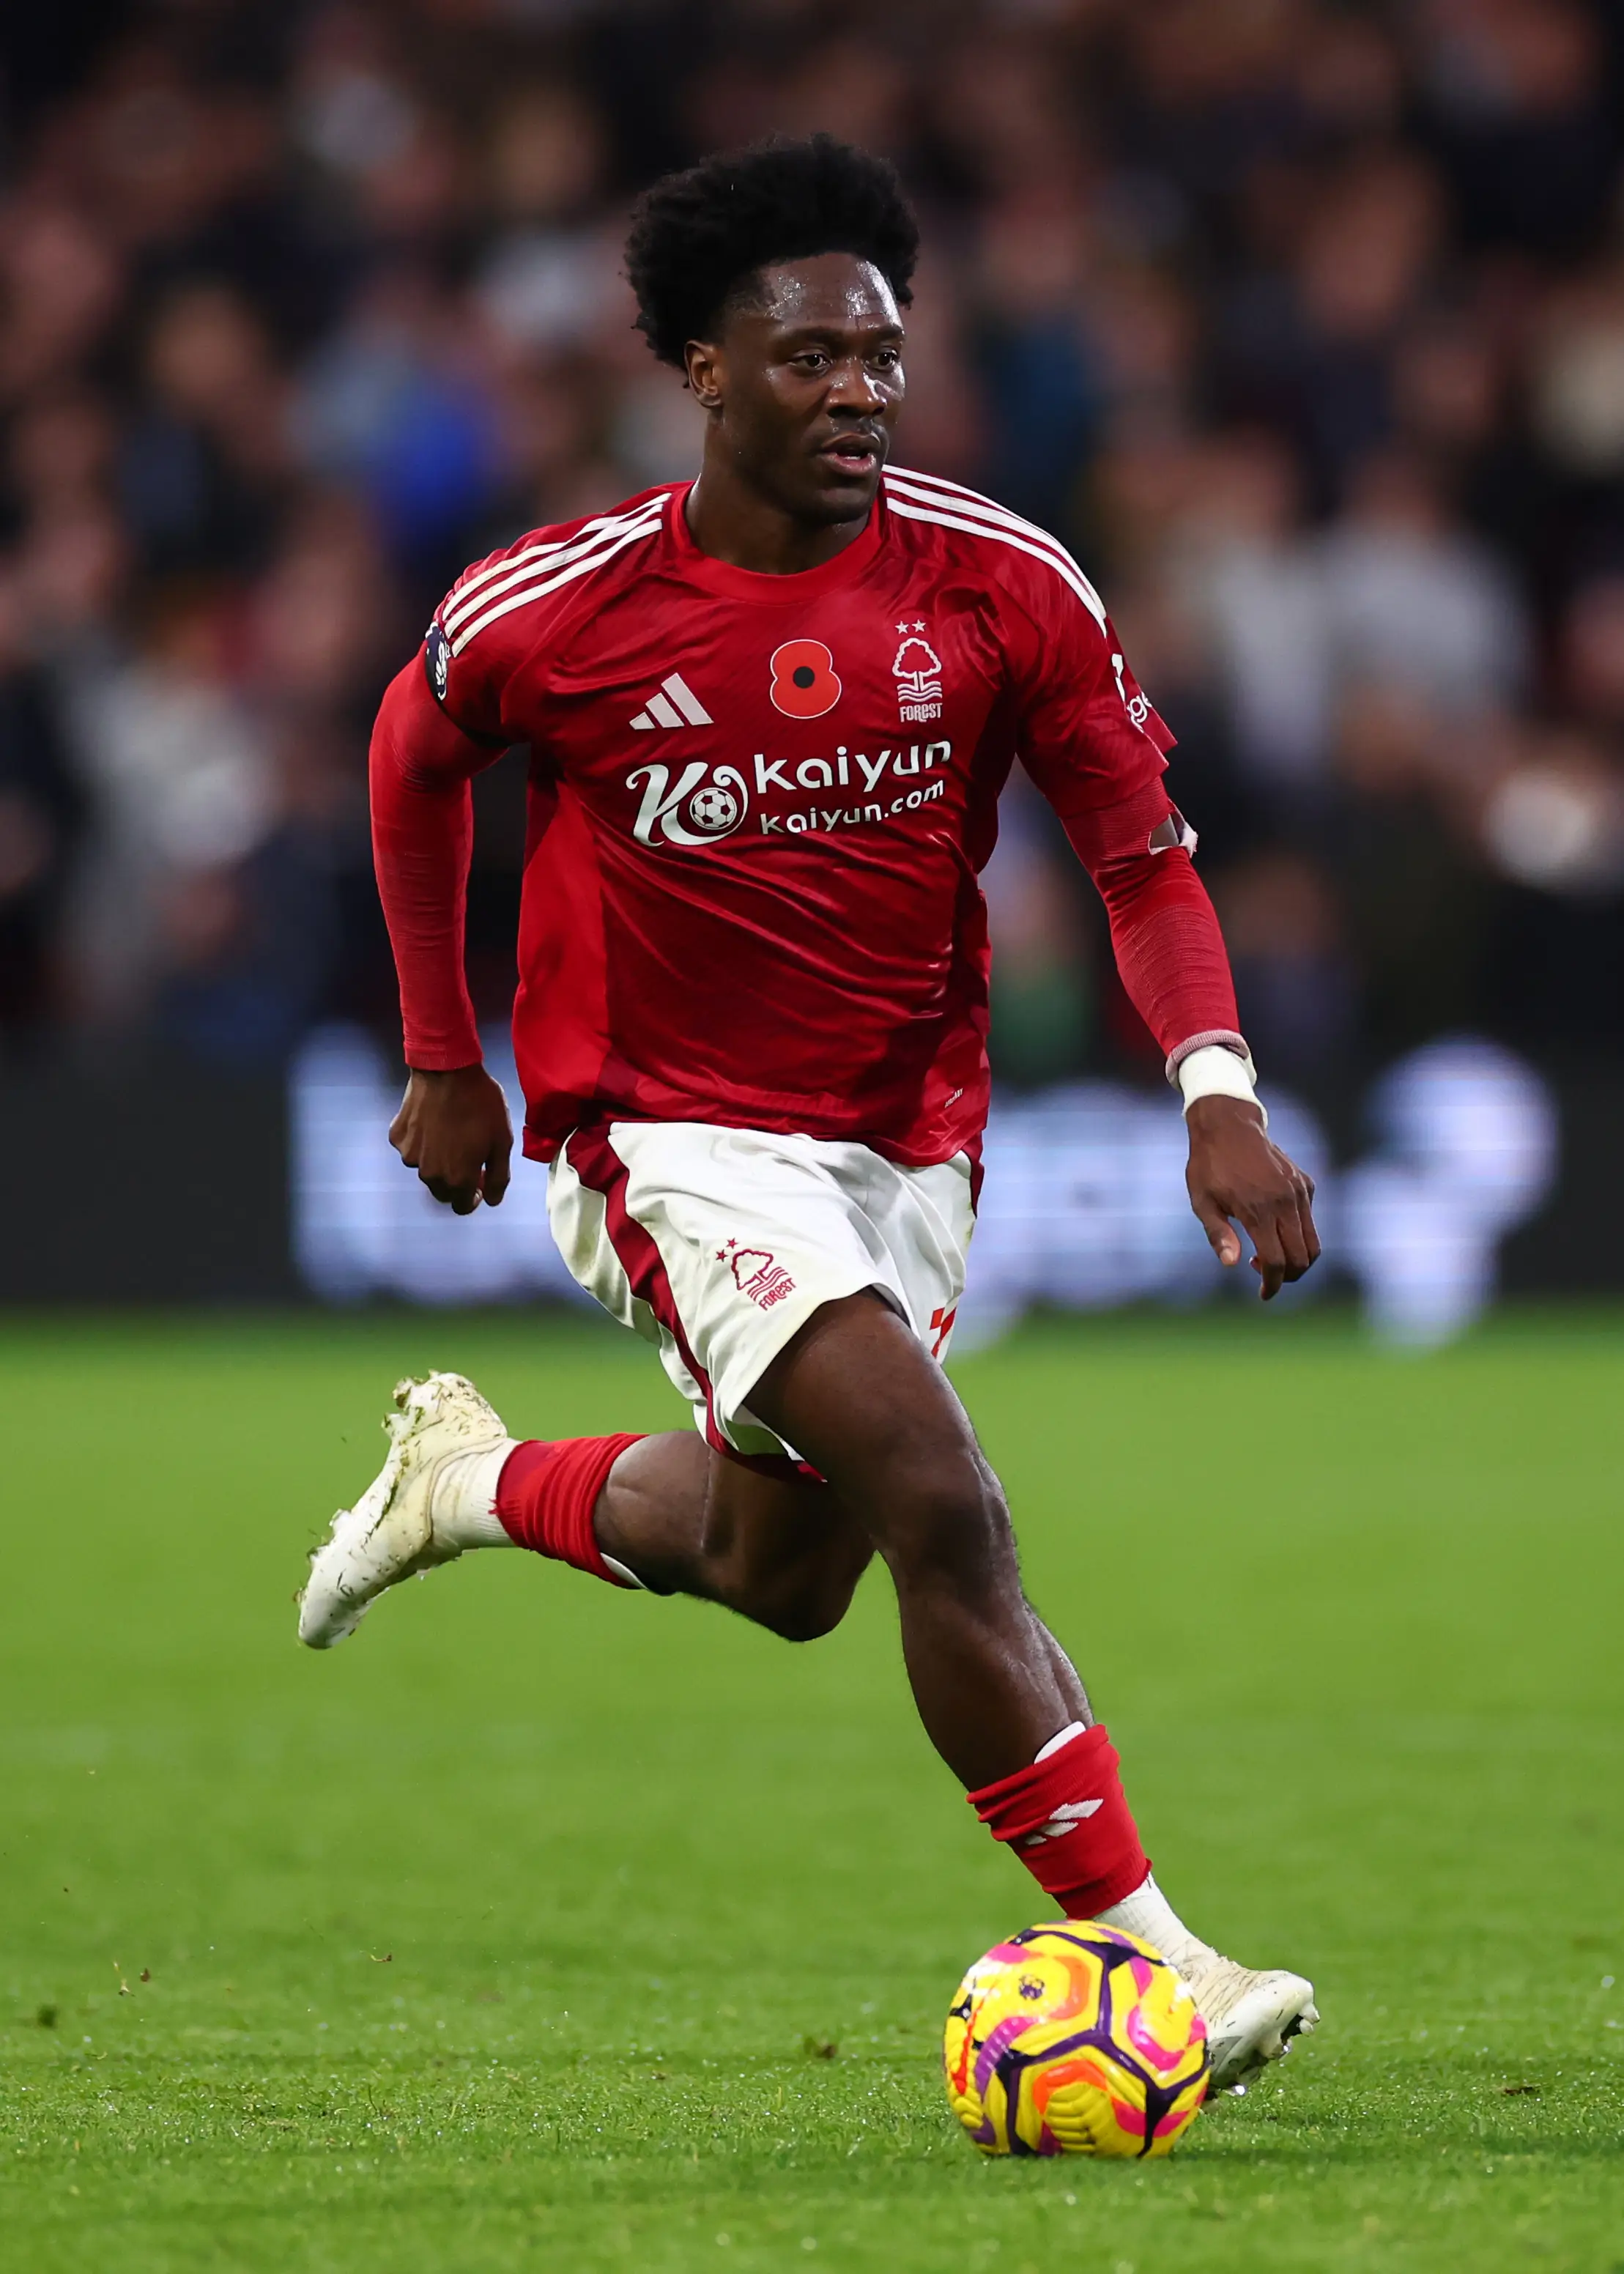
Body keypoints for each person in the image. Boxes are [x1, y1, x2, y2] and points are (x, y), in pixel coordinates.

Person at [299, 136, 1322, 2092]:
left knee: (790, 1576)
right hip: (656, 1133)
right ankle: (1161, 1962)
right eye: (809, 359)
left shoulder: (1001, 581)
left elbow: (1143, 856)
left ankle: (468, 1486)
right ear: (700, 366)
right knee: (947, 1499)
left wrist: (1216, 1092)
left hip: (901, 1138)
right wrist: (443, 1048)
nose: (858, 391)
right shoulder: (565, 604)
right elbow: (408, 754)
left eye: (882, 355)